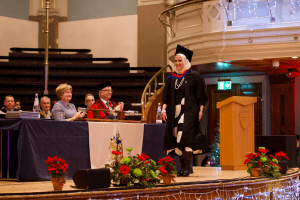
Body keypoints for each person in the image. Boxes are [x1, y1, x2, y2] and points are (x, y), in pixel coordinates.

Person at [162, 44, 209, 177]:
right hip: (174, 112)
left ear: (186, 61)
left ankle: (187, 166)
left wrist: (201, 111)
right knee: (176, 138)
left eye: (180, 60)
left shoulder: (194, 76)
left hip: (189, 112)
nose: (177, 63)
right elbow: (166, 97)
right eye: (176, 61)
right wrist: (164, 110)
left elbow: (201, 96)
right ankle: (183, 167)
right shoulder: (171, 78)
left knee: (185, 137)